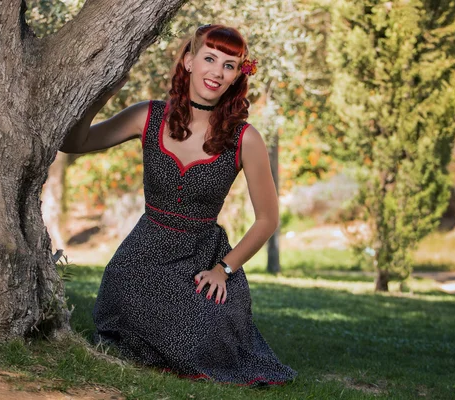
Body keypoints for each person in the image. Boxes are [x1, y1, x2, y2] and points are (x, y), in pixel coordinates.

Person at [60, 24, 297, 386]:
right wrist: (99, 94)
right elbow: (74, 143)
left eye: (230, 65)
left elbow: (267, 219)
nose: (217, 72)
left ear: (237, 76)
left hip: (204, 260)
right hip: (143, 258)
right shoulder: (148, 116)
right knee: (125, 308)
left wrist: (224, 270)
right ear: (189, 61)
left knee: (205, 337)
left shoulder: (245, 139)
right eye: (210, 59)